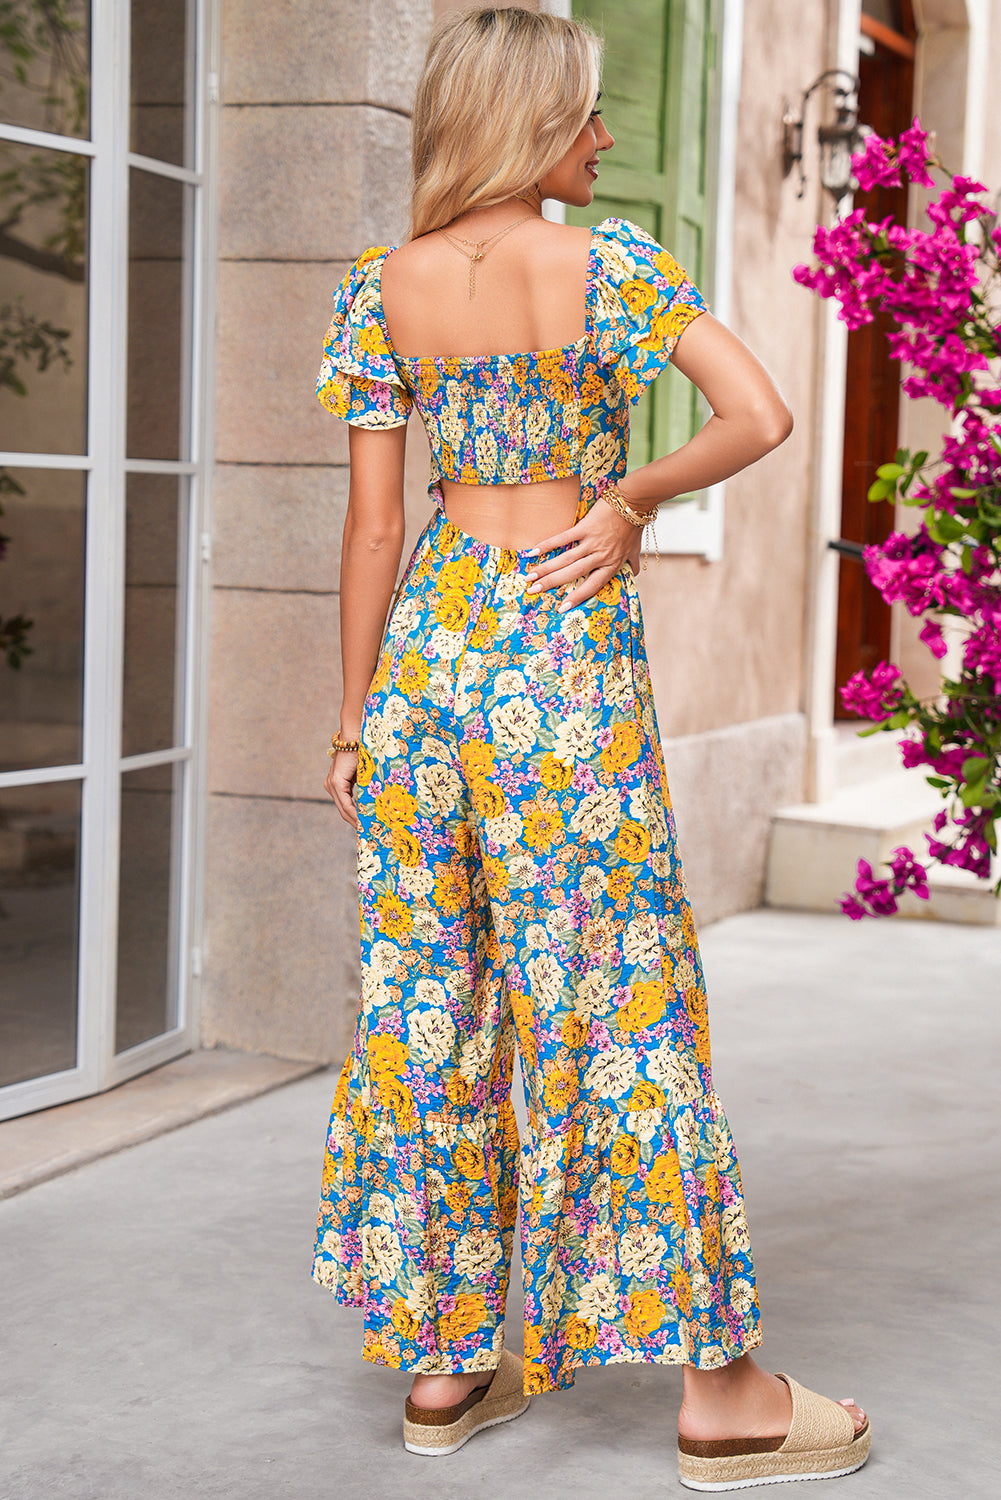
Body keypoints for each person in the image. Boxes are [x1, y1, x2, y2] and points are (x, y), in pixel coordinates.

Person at [310, 7, 870, 1490]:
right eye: (586, 115)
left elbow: (373, 526)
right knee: (613, 999)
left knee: (429, 996)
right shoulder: (609, 264)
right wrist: (623, 503)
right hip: (553, 668)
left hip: (425, 659)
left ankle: (442, 1368)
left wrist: (356, 712)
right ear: (526, 119)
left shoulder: (379, 289)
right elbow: (757, 412)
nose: (608, 140)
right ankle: (722, 1394)